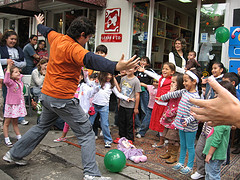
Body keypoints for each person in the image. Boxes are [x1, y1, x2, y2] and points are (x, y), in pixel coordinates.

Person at [3, 14, 139, 180]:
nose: (86, 41)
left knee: (41, 126)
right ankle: (91, 174)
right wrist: (115, 66)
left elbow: (46, 30)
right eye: (87, 37)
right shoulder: (73, 48)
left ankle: (14, 155)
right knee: (87, 134)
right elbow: (91, 59)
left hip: (47, 96)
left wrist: (39, 24)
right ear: (82, 35)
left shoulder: (57, 37)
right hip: (62, 99)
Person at [160, 69, 201, 175]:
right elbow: (172, 95)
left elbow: (196, 114)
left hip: (190, 127)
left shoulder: (196, 97)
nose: (184, 83)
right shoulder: (184, 92)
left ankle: (190, 166)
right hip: (180, 125)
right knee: (182, 144)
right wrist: (163, 96)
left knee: (190, 146)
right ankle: (181, 163)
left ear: (194, 81)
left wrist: (188, 120)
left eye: (186, 81)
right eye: (183, 81)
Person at [89, 72, 133, 148]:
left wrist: (126, 98)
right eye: (107, 74)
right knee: (89, 123)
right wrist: (86, 73)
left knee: (104, 124)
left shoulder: (111, 85)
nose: (109, 76)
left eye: (110, 75)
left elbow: (118, 94)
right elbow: (88, 82)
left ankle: (108, 140)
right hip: (94, 106)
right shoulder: (97, 82)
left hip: (104, 107)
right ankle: (86, 139)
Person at [54, 71, 99, 142]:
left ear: (81, 77)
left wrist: (96, 85)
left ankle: (86, 139)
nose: (76, 78)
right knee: (67, 123)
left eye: (78, 76)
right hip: (70, 109)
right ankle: (63, 136)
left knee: (82, 126)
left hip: (81, 111)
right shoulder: (70, 86)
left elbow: (92, 92)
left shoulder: (84, 87)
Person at [138, 62, 176, 147]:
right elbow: (153, 75)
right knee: (158, 123)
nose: (164, 70)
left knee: (164, 123)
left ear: (172, 72)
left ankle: (164, 140)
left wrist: (164, 96)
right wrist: (144, 70)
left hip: (165, 105)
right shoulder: (160, 78)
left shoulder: (173, 81)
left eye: (167, 69)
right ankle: (162, 140)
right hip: (157, 104)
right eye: (163, 68)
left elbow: (172, 93)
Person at [0, 30, 27, 125]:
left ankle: (18, 117)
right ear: (6, 39)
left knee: (19, 96)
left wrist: (14, 63)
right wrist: (6, 61)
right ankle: (7, 117)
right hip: (6, 76)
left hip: (17, 77)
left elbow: (24, 63)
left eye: (15, 39)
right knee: (7, 96)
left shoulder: (19, 49)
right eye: (11, 39)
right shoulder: (1, 48)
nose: (13, 41)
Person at [159, 73, 184, 164]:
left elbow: (180, 107)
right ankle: (169, 152)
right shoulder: (171, 93)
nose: (171, 84)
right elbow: (165, 99)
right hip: (168, 120)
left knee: (174, 138)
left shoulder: (181, 94)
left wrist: (171, 113)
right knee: (168, 137)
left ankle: (174, 155)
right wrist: (170, 91)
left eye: (173, 82)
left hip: (175, 120)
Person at [3, 60, 27, 147]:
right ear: (11, 75)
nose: (18, 73)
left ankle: (19, 137)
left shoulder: (19, 81)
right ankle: (6, 139)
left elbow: (20, 74)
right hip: (11, 105)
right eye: (15, 72)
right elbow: (6, 80)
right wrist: (9, 67)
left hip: (17, 104)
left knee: (15, 122)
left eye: (18, 72)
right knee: (7, 123)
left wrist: (14, 66)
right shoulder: (10, 83)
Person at [118, 67, 141, 142]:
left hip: (130, 106)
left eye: (130, 68)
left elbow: (137, 95)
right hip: (122, 104)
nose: (128, 70)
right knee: (121, 122)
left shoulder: (136, 80)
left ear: (135, 70)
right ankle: (122, 137)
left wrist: (136, 108)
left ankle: (130, 138)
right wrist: (119, 103)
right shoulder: (123, 79)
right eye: (127, 68)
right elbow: (120, 91)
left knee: (130, 123)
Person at [134, 56, 154, 132]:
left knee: (144, 108)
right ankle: (138, 125)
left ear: (148, 63)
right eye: (141, 61)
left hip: (145, 91)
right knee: (136, 108)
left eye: (144, 61)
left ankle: (144, 125)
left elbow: (154, 78)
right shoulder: (136, 70)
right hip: (136, 91)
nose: (142, 62)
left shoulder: (149, 70)